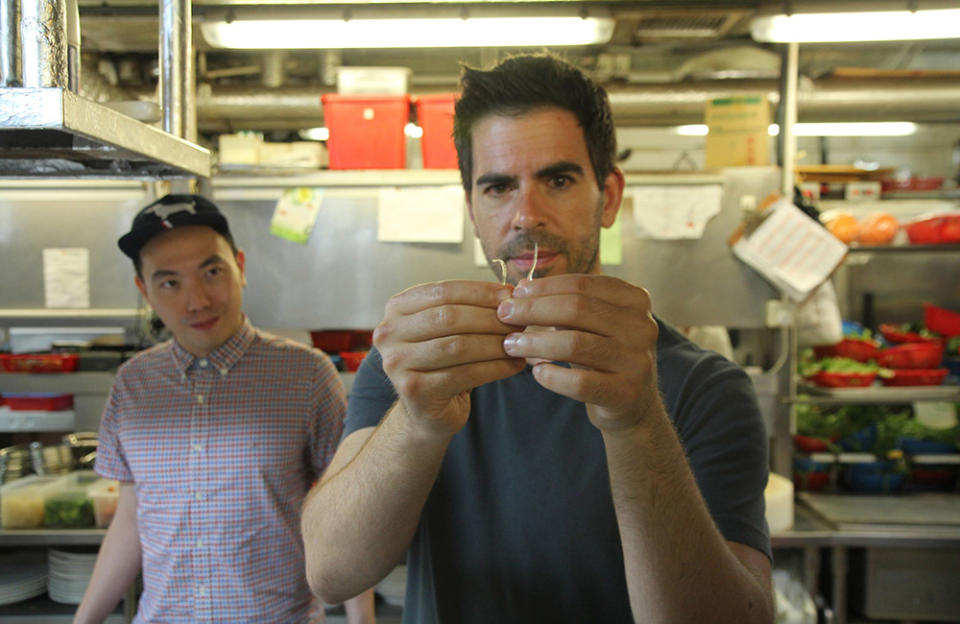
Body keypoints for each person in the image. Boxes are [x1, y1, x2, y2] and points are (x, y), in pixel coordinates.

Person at [302, 54, 773, 623]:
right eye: (498, 186)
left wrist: (637, 421)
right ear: (472, 209)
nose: (526, 214)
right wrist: (419, 423)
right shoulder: (413, 368)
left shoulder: (703, 386)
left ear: (610, 195)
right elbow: (330, 571)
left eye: (558, 179)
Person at [74, 194, 375, 624]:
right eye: (169, 283)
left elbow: (346, 514)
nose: (196, 301)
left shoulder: (306, 374)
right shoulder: (132, 384)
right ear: (144, 290)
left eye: (211, 272)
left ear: (240, 267)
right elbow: (131, 518)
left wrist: (362, 621)